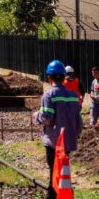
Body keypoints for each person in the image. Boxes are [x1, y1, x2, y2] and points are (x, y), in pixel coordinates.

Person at [34, 60, 82, 199]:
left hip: (54, 142)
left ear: (49, 77)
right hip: (68, 141)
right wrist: (75, 135)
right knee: (62, 173)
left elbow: (47, 117)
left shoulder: (49, 95)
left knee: (54, 175)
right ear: (63, 76)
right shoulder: (73, 96)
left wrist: (36, 116)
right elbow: (78, 121)